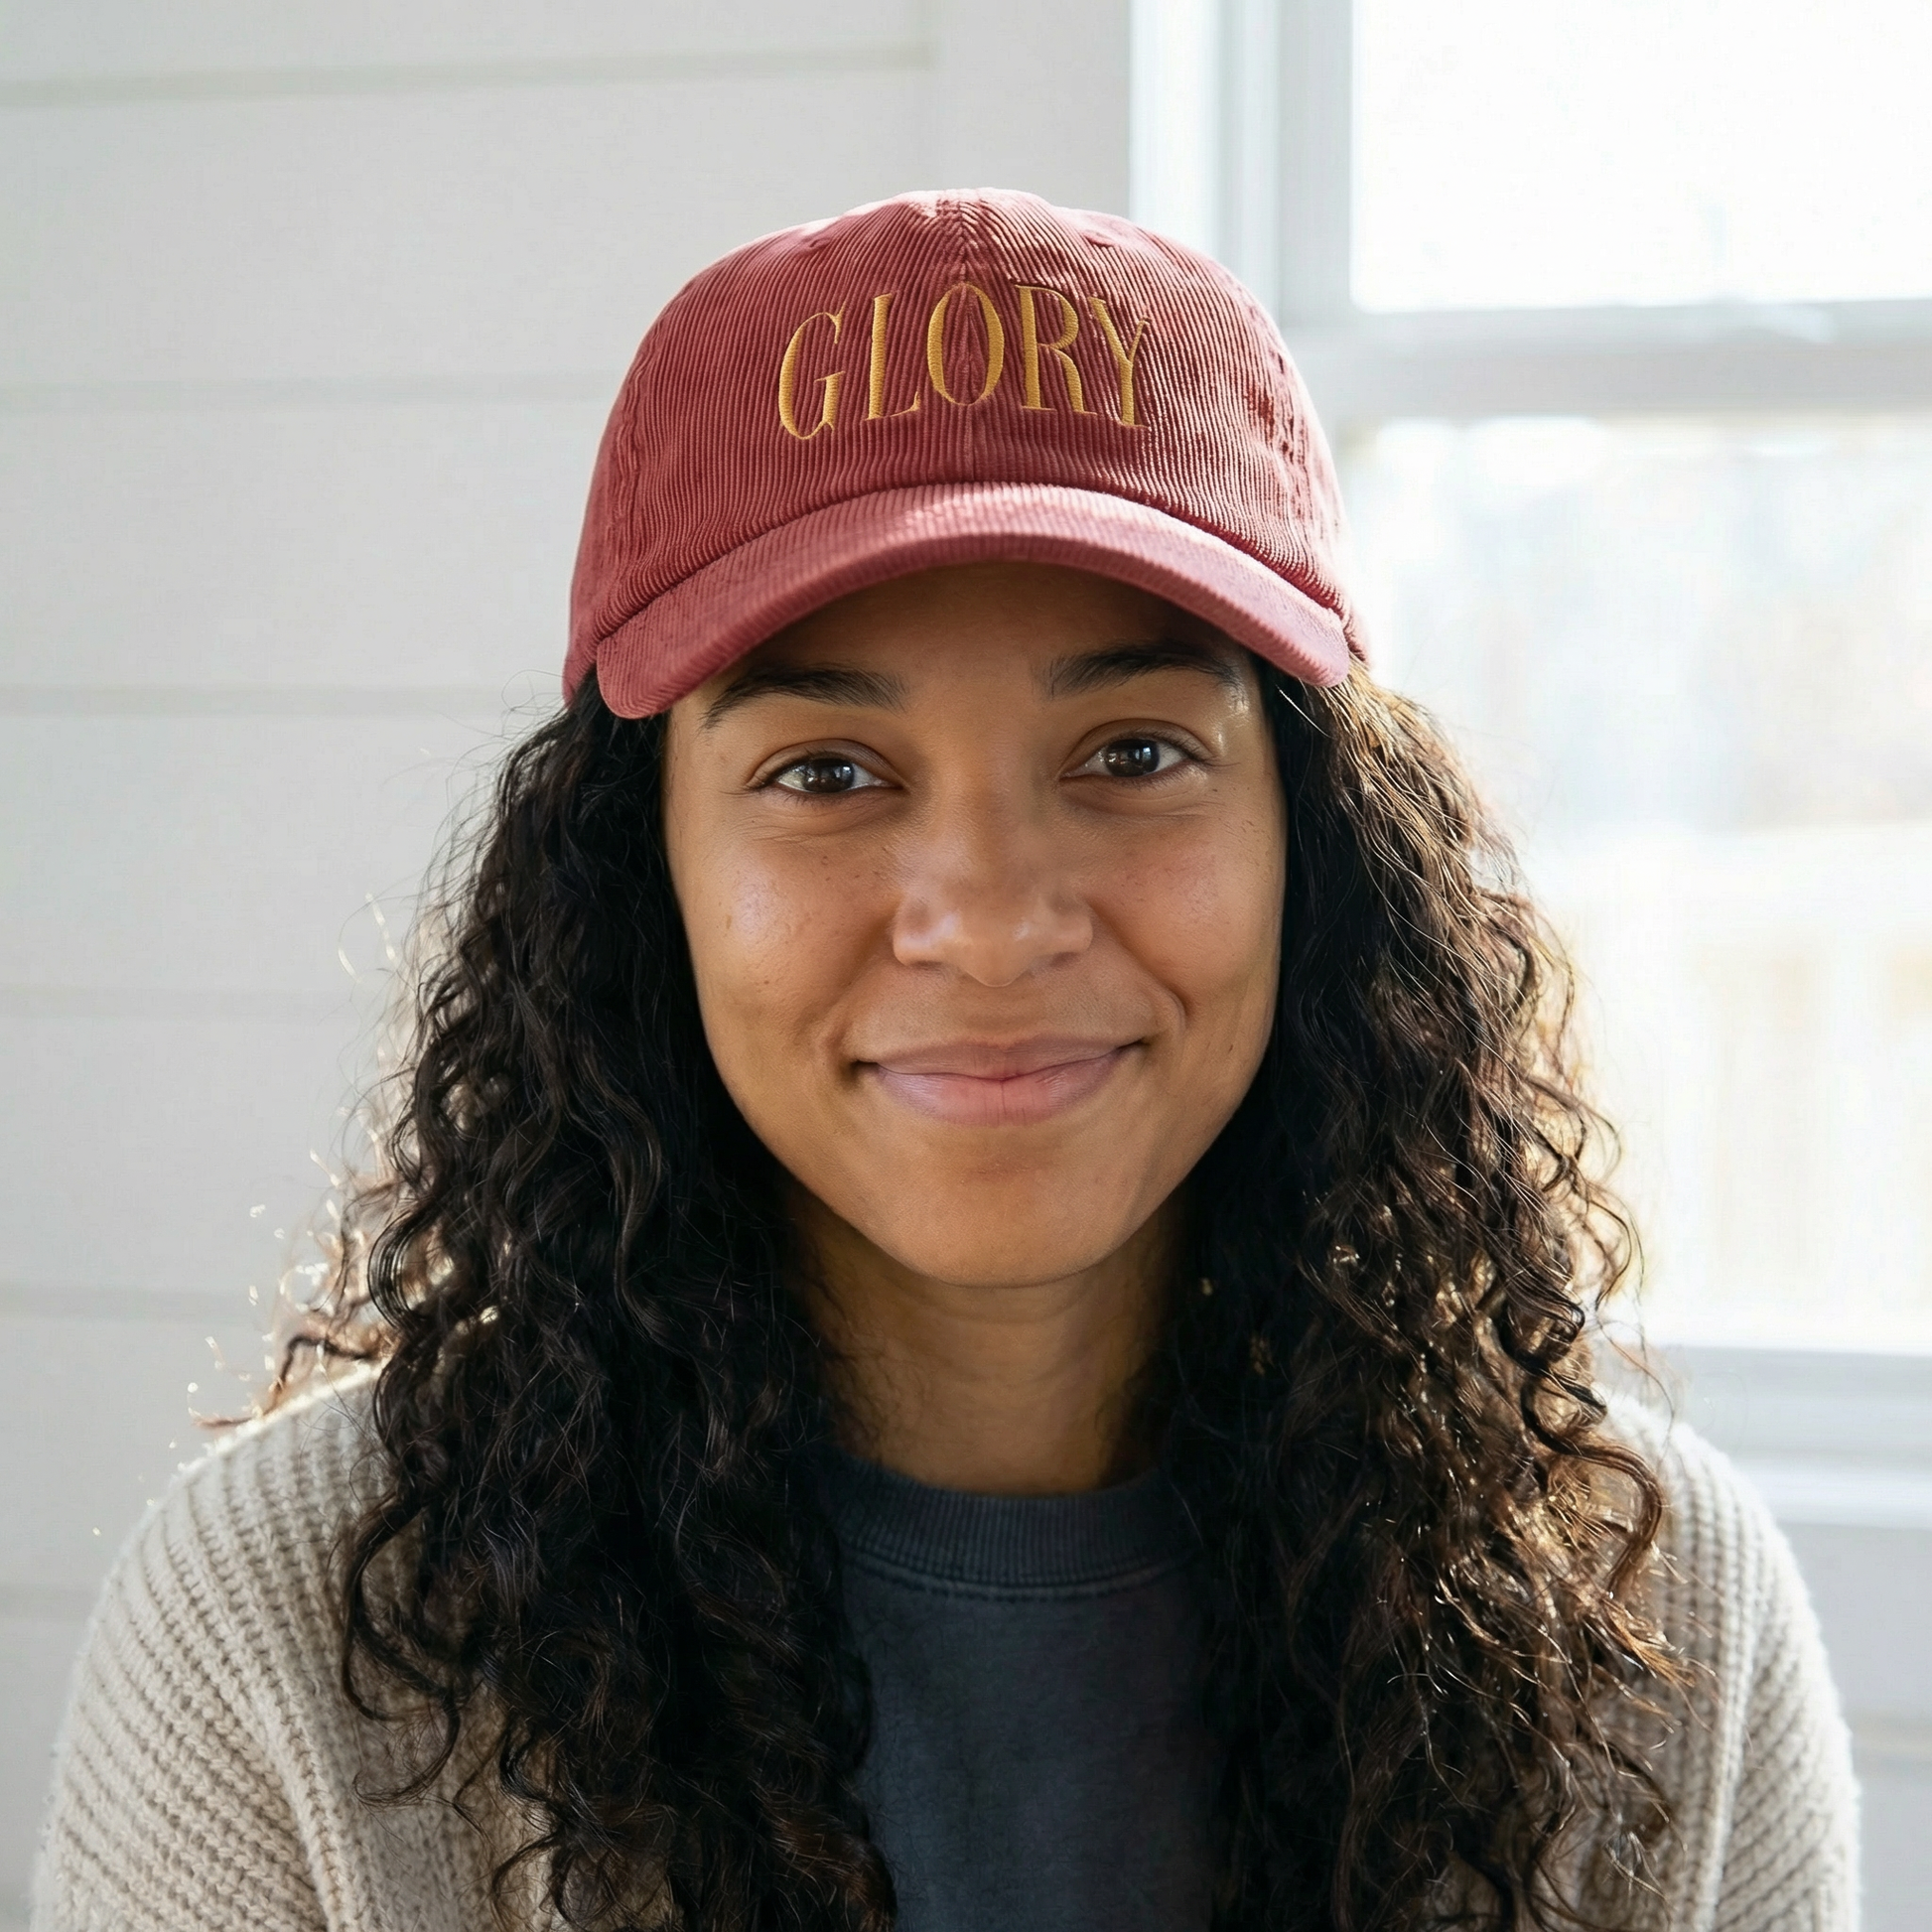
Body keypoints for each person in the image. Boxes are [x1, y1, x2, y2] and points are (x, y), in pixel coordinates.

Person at [33, 191, 1856, 1932]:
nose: (988, 921)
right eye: (826, 772)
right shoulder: (283, 1635)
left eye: (1133, 753)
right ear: (636, 874)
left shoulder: (1654, 1622)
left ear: (1318, 843)